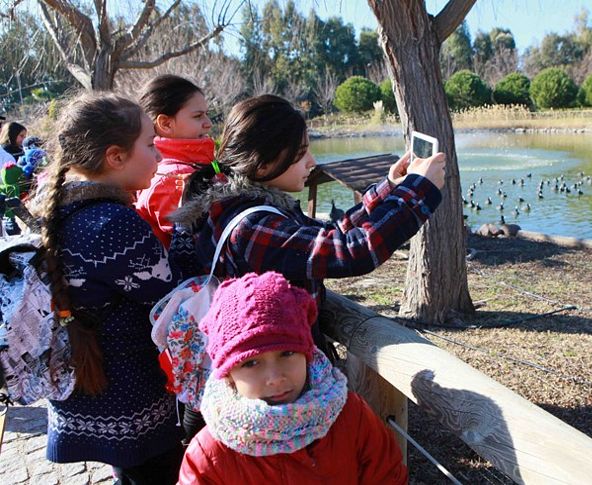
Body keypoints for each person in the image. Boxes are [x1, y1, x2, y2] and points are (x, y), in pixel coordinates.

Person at [169, 94, 444, 444]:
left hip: (262, 373)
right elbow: (351, 251)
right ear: (266, 163)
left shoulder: (244, 204)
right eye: (301, 153)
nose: (312, 162)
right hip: (272, 386)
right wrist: (418, 192)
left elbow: (327, 235)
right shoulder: (252, 228)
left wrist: (390, 188)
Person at [32, 93, 183, 484]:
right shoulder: (114, 223)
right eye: (150, 146)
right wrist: (185, 234)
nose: (159, 156)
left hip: (90, 386)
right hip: (131, 393)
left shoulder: (59, 213)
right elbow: (168, 294)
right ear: (116, 157)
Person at [178, 271, 407, 484]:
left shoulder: (351, 416)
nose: (275, 377)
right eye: (251, 362)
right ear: (228, 375)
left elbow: (388, 476)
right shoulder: (210, 454)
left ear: (307, 354)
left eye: (287, 353)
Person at [135, 74, 214, 248]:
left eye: (207, 114)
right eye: (198, 116)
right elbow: (202, 248)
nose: (208, 123)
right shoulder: (174, 180)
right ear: (166, 124)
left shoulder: (192, 167)